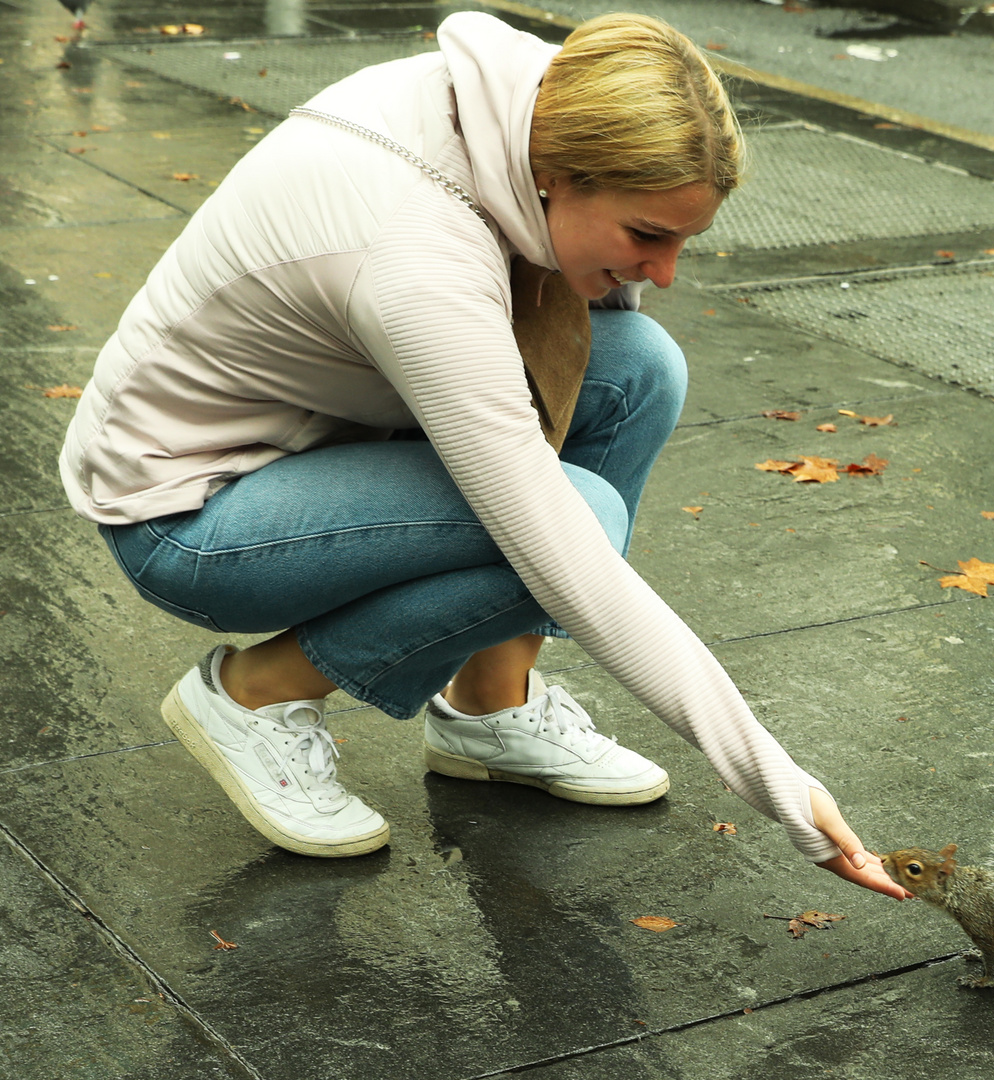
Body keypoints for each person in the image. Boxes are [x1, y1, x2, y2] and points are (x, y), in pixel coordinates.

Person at [59, 10, 909, 900]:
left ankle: (489, 707)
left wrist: (609, 266)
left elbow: (584, 341)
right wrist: (782, 786)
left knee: (640, 368)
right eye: (647, 236)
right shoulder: (414, 251)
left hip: (335, 429)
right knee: (579, 518)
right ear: (556, 178)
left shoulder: (533, 108)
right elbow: (564, 555)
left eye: (682, 240)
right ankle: (251, 694)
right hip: (191, 515)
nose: (666, 271)